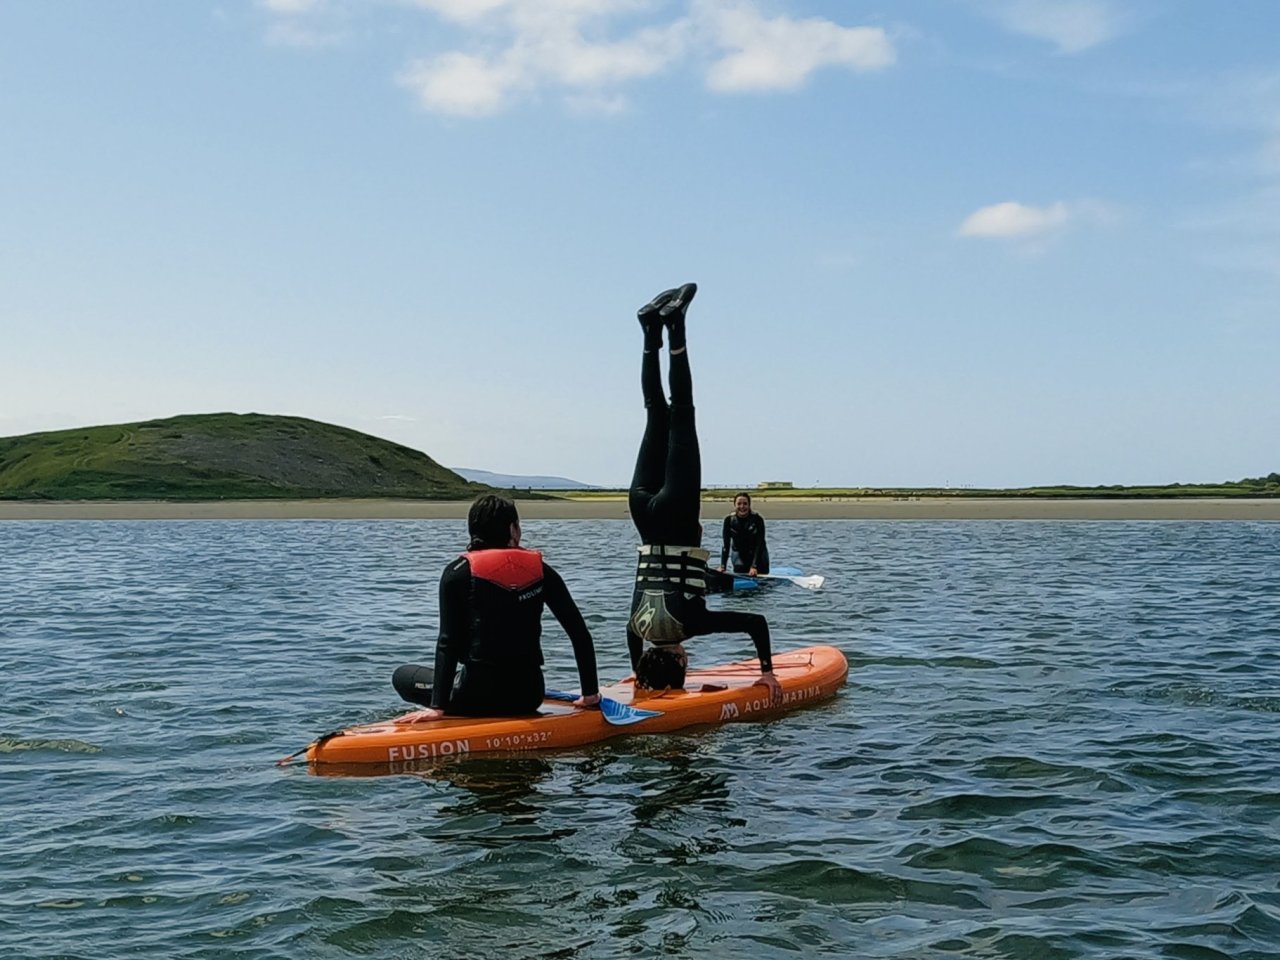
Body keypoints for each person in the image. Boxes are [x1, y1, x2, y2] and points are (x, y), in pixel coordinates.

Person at [625, 282, 782, 700]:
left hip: (675, 513)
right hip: (640, 508)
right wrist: (635, 673)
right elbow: (632, 640)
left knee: (683, 411)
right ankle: (648, 331)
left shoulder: (689, 626)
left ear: (680, 661)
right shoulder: (638, 625)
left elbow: (756, 625)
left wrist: (767, 673)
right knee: (655, 413)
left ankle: (675, 325)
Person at [392, 494, 601, 722]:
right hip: (528, 696)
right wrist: (589, 694)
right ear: (512, 530)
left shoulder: (457, 572)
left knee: (402, 676)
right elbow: (579, 633)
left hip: (474, 698)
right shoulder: (541, 571)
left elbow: (448, 642)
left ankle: (446, 705)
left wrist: (438, 707)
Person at [720, 492, 770, 577]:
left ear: (749, 505)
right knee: (740, 567)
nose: (742, 507)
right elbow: (726, 545)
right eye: (739, 504)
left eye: (745, 504)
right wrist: (723, 566)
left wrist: (754, 566)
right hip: (739, 555)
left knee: (760, 570)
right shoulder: (729, 521)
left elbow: (760, 544)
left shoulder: (758, 520)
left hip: (758, 556)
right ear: (735, 505)